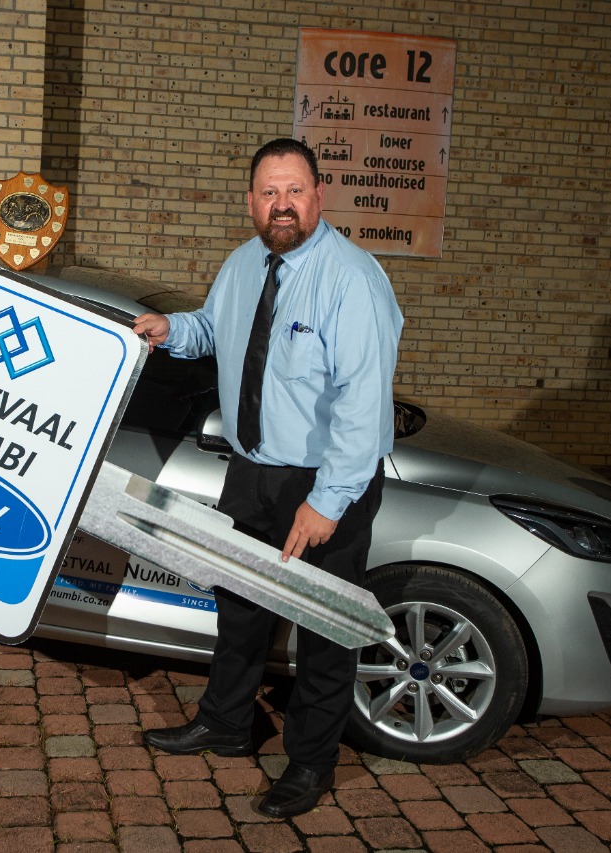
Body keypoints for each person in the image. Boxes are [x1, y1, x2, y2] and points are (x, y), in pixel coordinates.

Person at [132, 138, 403, 818]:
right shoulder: (244, 263)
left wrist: (327, 501)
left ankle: (310, 762)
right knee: (241, 607)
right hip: (251, 471)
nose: (282, 204)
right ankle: (226, 723)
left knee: (324, 626)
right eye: (269, 192)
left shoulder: (353, 278)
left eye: (294, 191)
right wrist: (170, 329)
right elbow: (213, 330)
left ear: (319, 196)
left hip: (323, 483)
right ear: (252, 202)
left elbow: (364, 404)